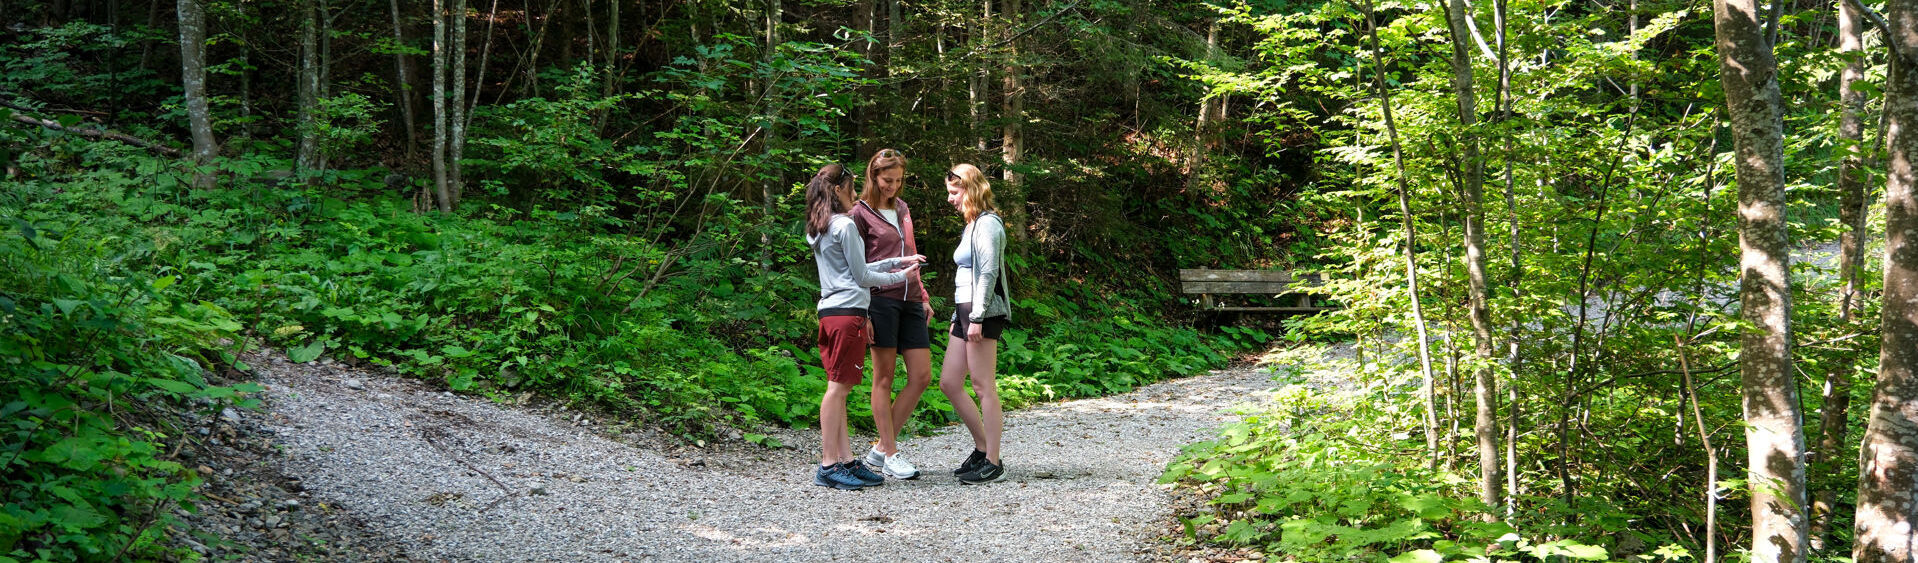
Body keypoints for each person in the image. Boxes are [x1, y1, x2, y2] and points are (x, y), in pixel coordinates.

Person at [805, 163, 926, 490]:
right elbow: (860, 276)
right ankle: (829, 464)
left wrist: (894, 262)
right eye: (851, 187)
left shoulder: (820, 226)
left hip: (830, 311)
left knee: (837, 386)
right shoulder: (844, 225)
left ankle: (844, 460)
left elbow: (854, 266)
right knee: (838, 389)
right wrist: (900, 276)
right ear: (838, 190)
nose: (855, 193)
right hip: (848, 313)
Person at [848, 148, 935, 480]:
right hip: (879, 300)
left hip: (911, 296)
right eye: (888, 180)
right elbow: (854, 267)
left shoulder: (902, 208)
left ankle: (881, 449)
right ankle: (891, 451)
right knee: (883, 377)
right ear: (873, 175)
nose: (893, 186)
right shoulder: (859, 213)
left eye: (898, 180)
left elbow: (910, 253)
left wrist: (923, 295)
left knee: (922, 375)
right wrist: (864, 310)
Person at [935, 163, 1012, 485]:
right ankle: (982, 448)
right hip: (964, 310)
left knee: (983, 386)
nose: (951, 199)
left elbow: (989, 273)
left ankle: (993, 460)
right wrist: (961, 315)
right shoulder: (971, 225)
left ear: (970, 189)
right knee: (950, 382)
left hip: (983, 311)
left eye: (955, 192)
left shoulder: (989, 224)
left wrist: (977, 317)